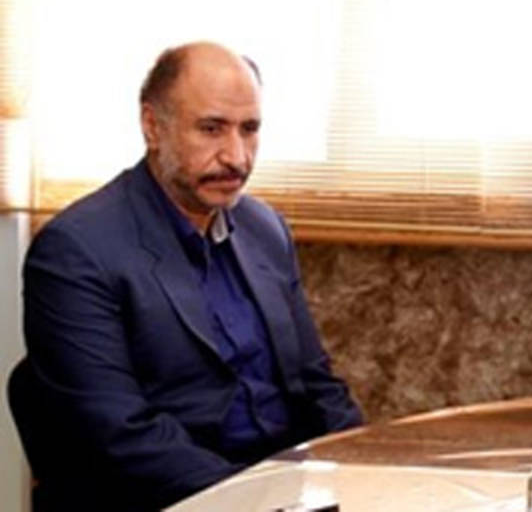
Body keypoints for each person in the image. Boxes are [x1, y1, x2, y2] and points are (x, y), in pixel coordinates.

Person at [10, 42, 363, 511]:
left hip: (284, 488)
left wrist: (362, 474)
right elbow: (121, 435)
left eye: (249, 129)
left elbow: (317, 385)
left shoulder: (265, 229)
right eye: (211, 129)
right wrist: (258, 502)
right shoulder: (76, 250)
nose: (236, 156)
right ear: (153, 126)